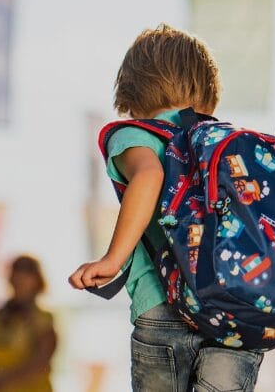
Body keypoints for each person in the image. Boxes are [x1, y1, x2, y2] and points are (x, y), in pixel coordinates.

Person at [69, 25, 264, 392]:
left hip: (162, 304)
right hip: (235, 305)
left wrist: (113, 259)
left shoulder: (134, 135)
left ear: (131, 91)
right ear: (208, 91)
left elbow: (149, 175)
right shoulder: (226, 142)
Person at [0, 255, 57, 392]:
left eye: (25, 274)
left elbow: (41, 360)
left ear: (37, 281)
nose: (19, 279)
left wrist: (2, 380)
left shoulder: (42, 320)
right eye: (16, 272)